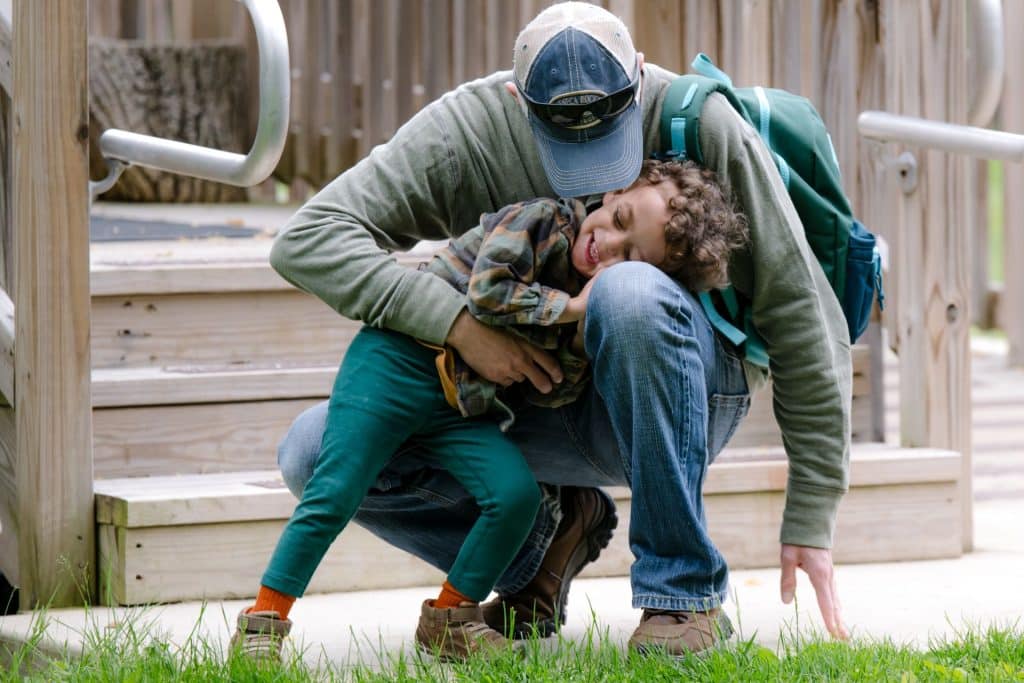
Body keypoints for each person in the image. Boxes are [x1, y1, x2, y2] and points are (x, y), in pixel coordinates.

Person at [244, 0, 852, 658]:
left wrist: (813, 506)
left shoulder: (700, 121)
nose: (595, 195)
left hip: (674, 392)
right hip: (519, 398)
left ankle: (681, 596)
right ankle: (542, 542)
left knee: (626, 291)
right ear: (516, 97)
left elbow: (800, 304)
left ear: (639, 75)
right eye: (567, 147)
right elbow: (306, 240)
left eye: (608, 143)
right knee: (311, 452)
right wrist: (455, 324)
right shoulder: (469, 129)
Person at [231, 159, 749, 661]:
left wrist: (579, 348)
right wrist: (569, 311)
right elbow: (488, 293)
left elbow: (550, 388)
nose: (608, 247)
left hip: (461, 406)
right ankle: (263, 621)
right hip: (399, 365)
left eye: (632, 259)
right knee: (334, 486)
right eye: (618, 221)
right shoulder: (541, 221)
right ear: (615, 192)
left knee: (514, 497)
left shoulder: (596, 294)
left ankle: (450, 621)